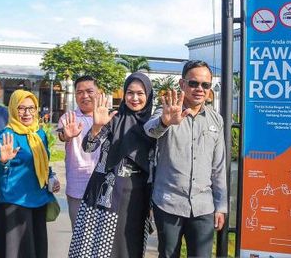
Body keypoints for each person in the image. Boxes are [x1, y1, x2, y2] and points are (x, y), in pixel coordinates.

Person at [144, 60, 227, 258]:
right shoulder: (167, 111)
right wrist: (165, 121)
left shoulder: (216, 120)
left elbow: (219, 166)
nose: (200, 89)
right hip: (169, 203)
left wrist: (221, 206)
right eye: (193, 83)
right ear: (182, 84)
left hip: (203, 207)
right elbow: (149, 130)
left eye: (205, 85)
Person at [68, 72, 156, 258]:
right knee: (98, 249)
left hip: (137, 197)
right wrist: (97, 126)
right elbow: (89, 146)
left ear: (148, 95)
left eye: (140, 93)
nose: (134, 98)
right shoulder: (113, 118)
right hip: (105, 195)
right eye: (130, 93)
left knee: (128, 246)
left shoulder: (153, 125)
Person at [0, 90, 60, 258]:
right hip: (14, 200)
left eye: (31, 108)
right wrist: (3, 160)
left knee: (36, 249)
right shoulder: (7, 134)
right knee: (16, 251)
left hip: (38, 199)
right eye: (21, 108)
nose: (27, 113)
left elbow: (42, 163)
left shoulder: (39, 134)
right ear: (13, 109)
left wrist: (51, 176)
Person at [56, 75, 100, 228]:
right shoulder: (68, 117)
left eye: (89, 91)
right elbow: (62, 135)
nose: (85, 96)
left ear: (99, 92)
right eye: (80, 92)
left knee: (102, 237)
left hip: (103, 186)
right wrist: (66, 135)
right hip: (77, 185)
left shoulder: (109, 117)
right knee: (79, 234)